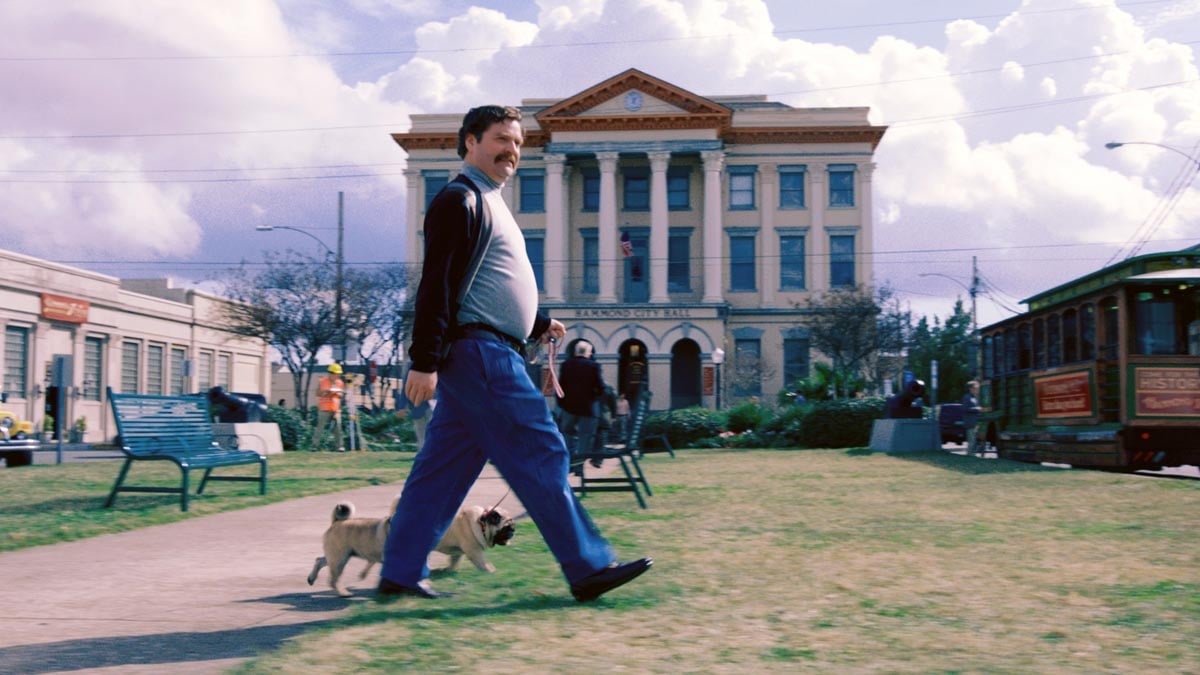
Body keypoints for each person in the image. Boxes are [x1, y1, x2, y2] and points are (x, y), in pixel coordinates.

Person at [378, 105, 651, 602]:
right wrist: (424, 359)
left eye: (519, 143)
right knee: (543, 451)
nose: (513, 150)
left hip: (488, 347)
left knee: (442, 470)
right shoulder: (459, 200)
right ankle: (588, 566)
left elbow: (484, 283)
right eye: (502, 138)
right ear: (469, 142)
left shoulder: (490, 200)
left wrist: (538, 322)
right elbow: (436, 285)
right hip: (481, 354)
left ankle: (399, 570)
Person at [558, 340, 606, 460]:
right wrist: (596, 399)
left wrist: (562, 404)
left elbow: (560, 386)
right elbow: (600, 387)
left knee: (567, 434)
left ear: (575, 352)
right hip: (587, 408)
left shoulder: (565, 365)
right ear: (588, 353)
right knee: (585, 436)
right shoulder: (594, 366)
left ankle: (570, 460)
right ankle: (579, 464)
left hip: (568, 407)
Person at [311, 363, 345, 452]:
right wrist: (325, 392)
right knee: (320, 427)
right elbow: (317, 393)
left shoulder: (340, 383)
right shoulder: (322, 381)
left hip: (335, 409)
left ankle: (339, 447)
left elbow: (341, 394)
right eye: (336, 373)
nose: (337, 375)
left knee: (338, 428)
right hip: (324, 409)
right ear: (331, 373)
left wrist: (338, 394)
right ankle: (314, 446)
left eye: (338, 374)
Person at [393, 374, 433, 449]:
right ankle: (423, 454)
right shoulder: (413, 368)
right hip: (418, 406)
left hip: (434, 405)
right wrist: (402, 407)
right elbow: (405, 389)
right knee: (421, 434)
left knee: (434, 432)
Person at [962, 380, 982, 455]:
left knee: (974, 440)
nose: (977, 389)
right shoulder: (967, 397)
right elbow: (965, 409)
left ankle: (972, 454)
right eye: (976, 387)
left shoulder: (974, 398)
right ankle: (970, 455)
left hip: (975, 422)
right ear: (971, 388)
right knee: (971, 440)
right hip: (970, 422)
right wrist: (978, 409)